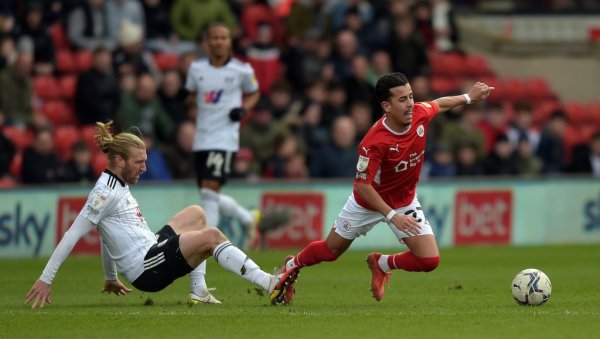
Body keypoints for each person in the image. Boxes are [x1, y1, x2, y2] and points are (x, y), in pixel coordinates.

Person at [24, 121, 299, 309]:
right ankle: (269, 282)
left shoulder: (116, 185)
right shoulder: (105, 193)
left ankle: (199, 292)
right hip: (147, 268)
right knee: (212, 237)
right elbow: (72, 234)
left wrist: (110, 276)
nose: (144, 167)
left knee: (197, 213)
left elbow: (106, 234)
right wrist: (46, 279)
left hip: (152, 249)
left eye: (145, 160)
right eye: (139, 162)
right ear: (119, 161)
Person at [276, 73, 493, 302]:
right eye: (402, 100)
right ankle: (292, 264)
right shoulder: (374, 142)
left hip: (404, 201)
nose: (410, 104)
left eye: (411, 96)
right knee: (330, 252)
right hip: (367, 203)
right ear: (386, 106)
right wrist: (391, 215)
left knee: (429, 261)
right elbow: (362, 186)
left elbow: (439, 103)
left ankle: (381, 263)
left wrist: (469, 98)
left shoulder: (419, 114)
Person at [184, 23, 261, 303]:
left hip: (224, 140)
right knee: (210, 195)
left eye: (223, 38)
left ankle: (199, 282)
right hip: (201, 140)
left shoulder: (241, 70)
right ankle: (245, 217)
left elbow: (255, 92)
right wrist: (189, 102)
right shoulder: (196, 70)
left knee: (207, 196)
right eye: (214, 37)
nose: (218, 42)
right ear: (207, 42)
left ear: (229, 42)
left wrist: (245, 108)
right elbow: (190, 97)